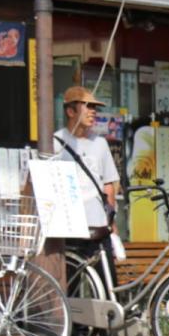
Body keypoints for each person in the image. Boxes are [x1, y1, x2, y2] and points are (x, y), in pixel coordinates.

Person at [55, 86, 120, 282]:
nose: (93, 111)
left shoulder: (100, 143)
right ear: (70, 111)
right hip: (69, 227)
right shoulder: (56, 143)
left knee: (107, 285)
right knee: (69, 285)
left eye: (95, 107)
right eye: (88, 106)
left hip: (99, 226)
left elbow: (108, 184)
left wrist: (111, 221)